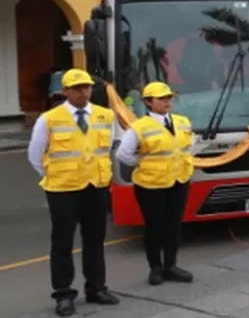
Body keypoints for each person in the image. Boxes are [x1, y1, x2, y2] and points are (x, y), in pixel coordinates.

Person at [26, 69, 119, 317]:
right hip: (63, 191)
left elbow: (107, 146)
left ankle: (96, 288)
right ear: (65, 91)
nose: (83, 91)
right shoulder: (49, 119)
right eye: (77, 88)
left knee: (95, 241)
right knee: (62, 243)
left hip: (96, 188)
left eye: (86, 87)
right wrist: (59, 176)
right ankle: (64, 294)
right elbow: (36, 157)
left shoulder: (105, 115)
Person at [115, 82, 195, 286]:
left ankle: (171, 265)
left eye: (169, 97)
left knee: (174, 225)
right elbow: (123, 154)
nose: (167, 101)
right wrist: (143, 163)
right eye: (162, 98)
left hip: (179, 180)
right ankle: (156, 268)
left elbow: (190, 145)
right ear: (148, 102)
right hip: (151, 185)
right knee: (154, 227)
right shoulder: (139, 127)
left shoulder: (182, 121)